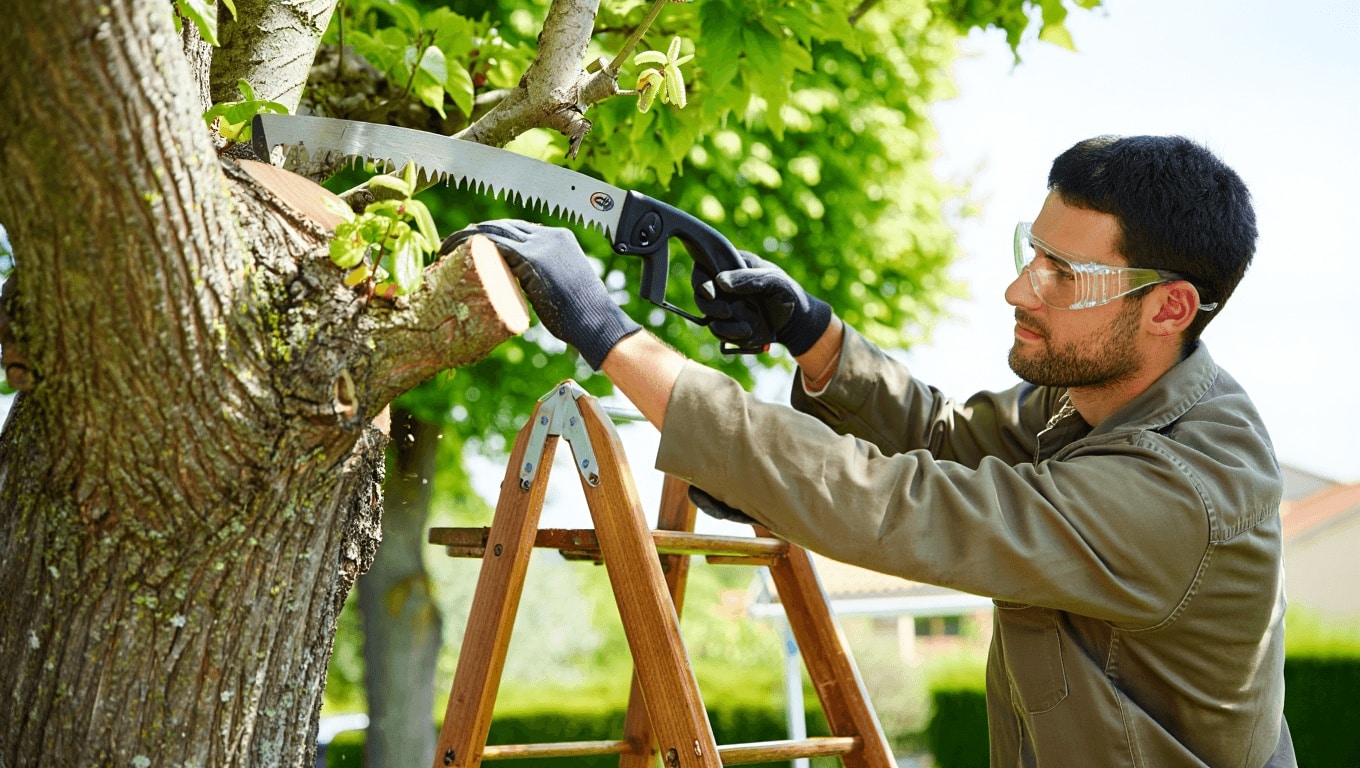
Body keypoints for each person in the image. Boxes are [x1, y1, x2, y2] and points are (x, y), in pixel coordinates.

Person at [443, 135, 1295, 766]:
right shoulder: (1084, 403)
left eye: (1062, 275)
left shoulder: (1179, 488)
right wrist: (811, 335)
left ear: (1170, 309)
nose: (1017, 289)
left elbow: (902, 506)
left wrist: (609, 335)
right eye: (1030, 254)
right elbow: (943, 439)